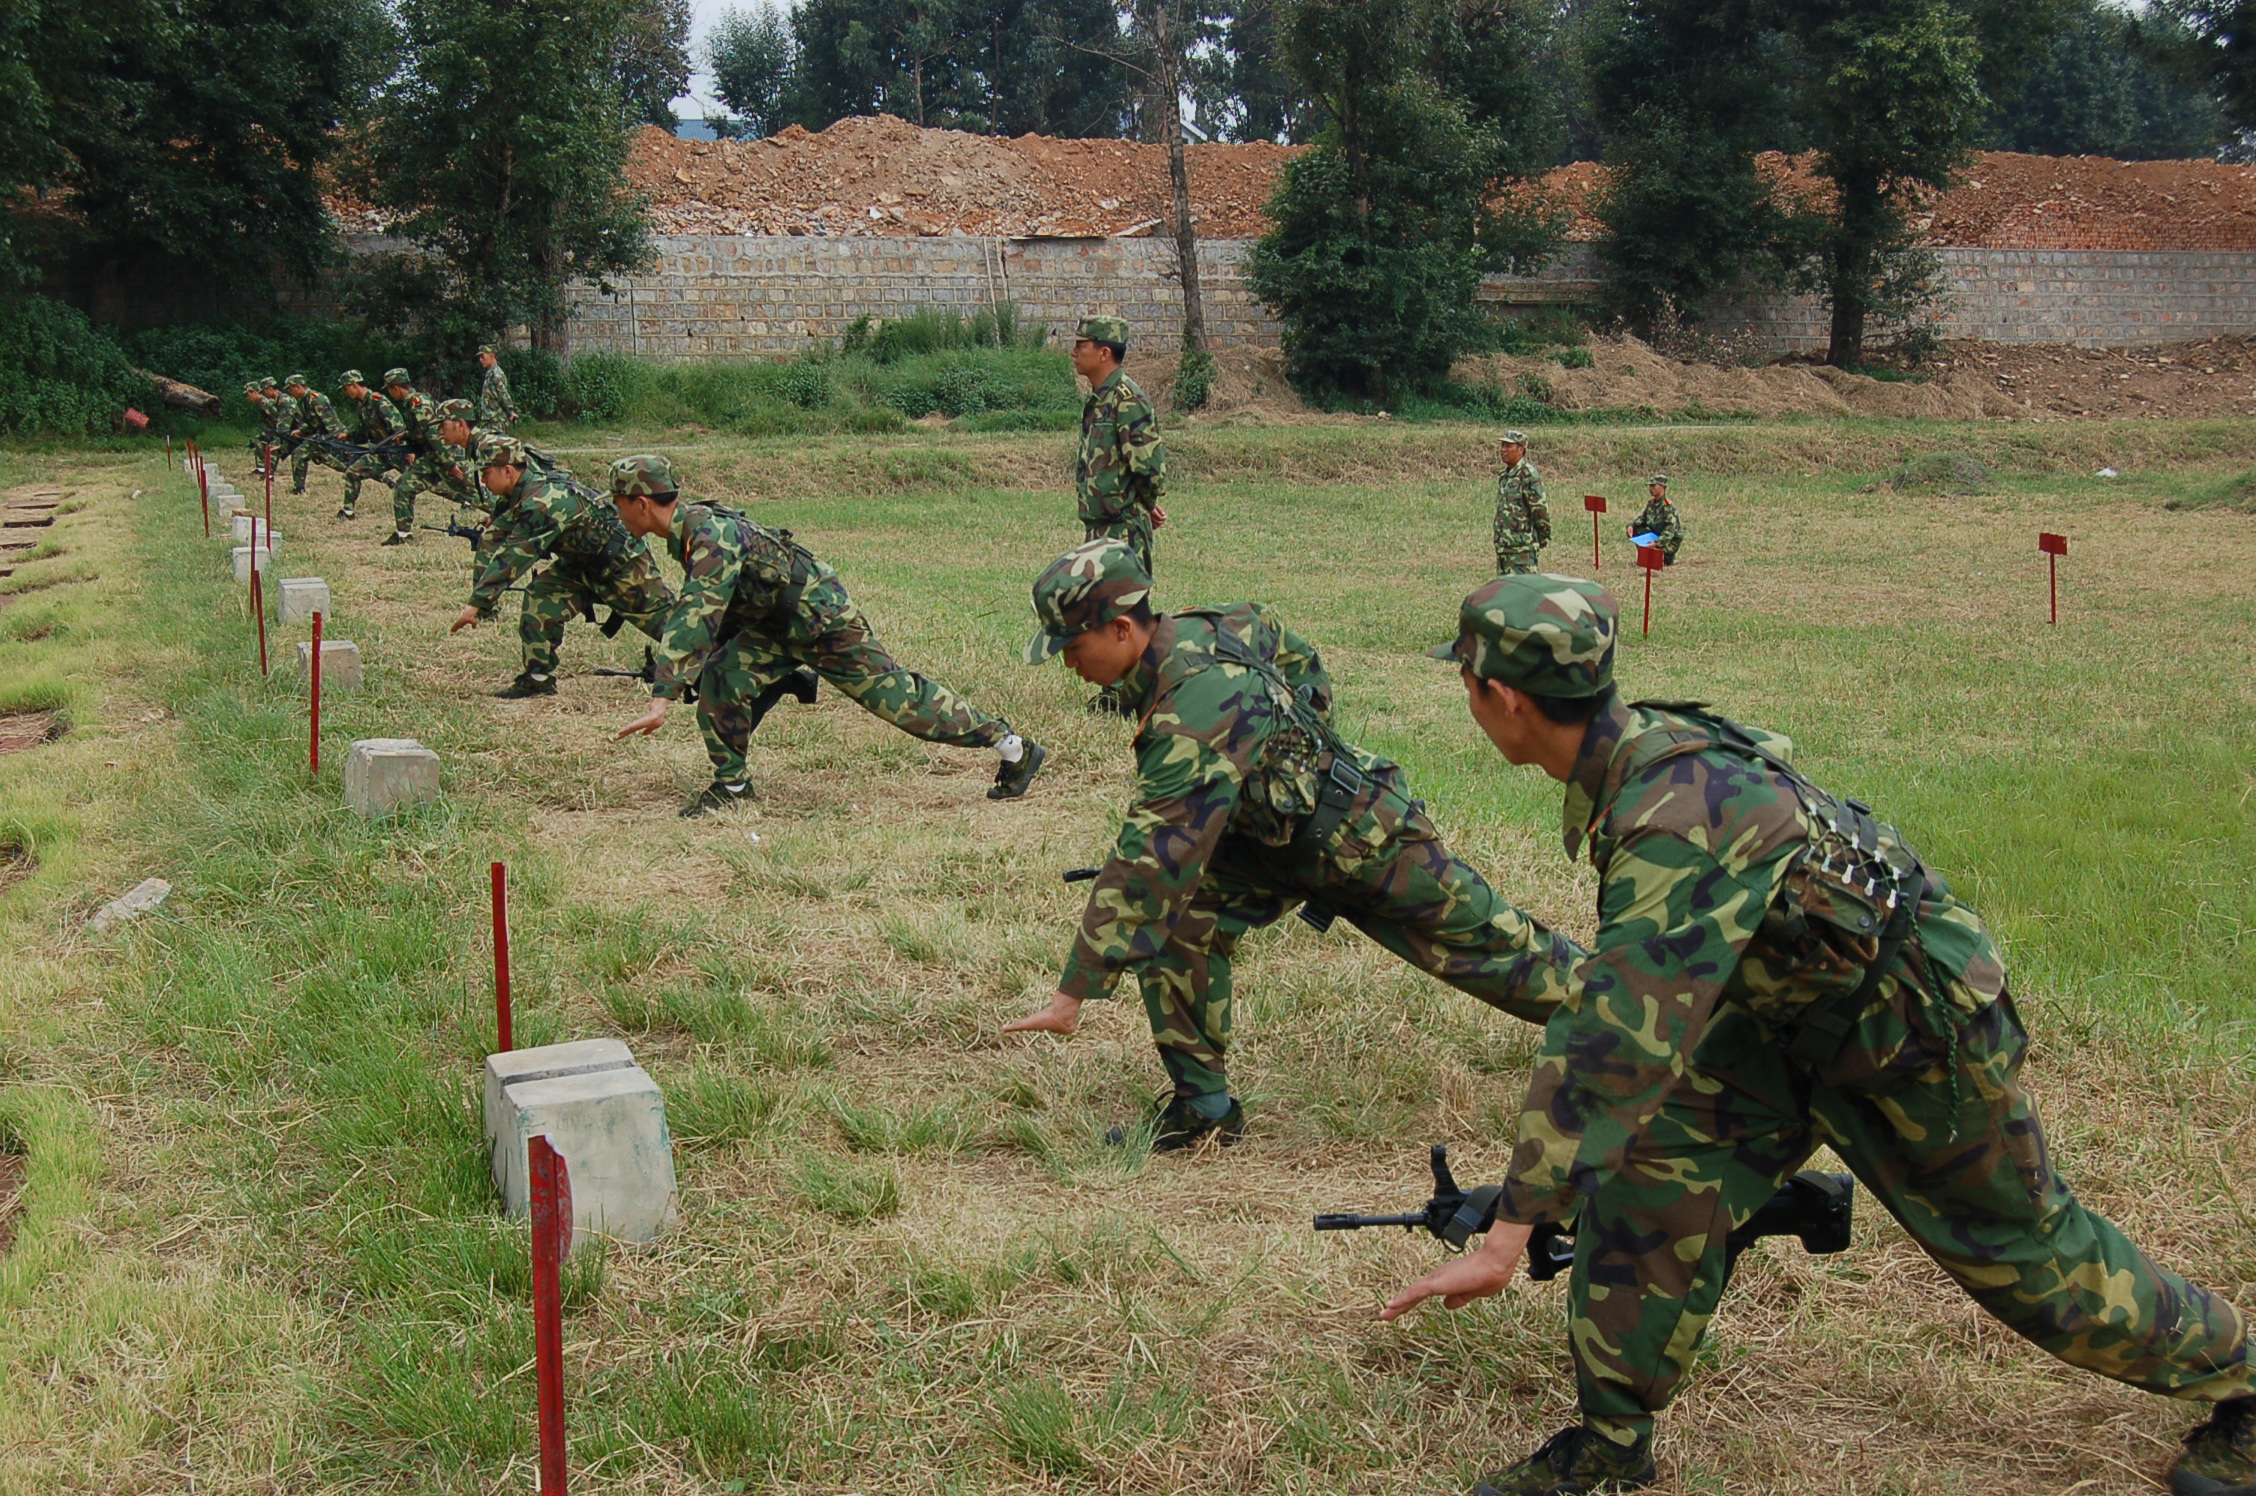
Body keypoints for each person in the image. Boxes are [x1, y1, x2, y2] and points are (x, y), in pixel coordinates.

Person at [1381, 572, 2256, 1496]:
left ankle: (2243, 1380)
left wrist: (1507, 1233)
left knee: (2027, 1255)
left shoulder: (1675, 811)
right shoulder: (1642, 755)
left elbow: (1612, 1042)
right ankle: (1611, 1441)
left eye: (1468, 684)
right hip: (1780, 1021)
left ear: (1504, 697)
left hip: (1912, 1040)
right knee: (1652, 1185)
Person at [1000, 540, 1582, 1151]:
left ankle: (1652, 1022)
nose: (1067, 664)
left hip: (1362, 837)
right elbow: (1294, 653)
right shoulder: (1216, 625)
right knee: (1178, 924)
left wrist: (1072, 995)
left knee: (1496, 948)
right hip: (1267, 841)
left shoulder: (1193, 707)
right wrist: (1283, 759)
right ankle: (1204, 1107)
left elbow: (1150, 857)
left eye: (1072, 646)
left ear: (1121, 628)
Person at [606, 455, 1048, 817]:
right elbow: (727, 605)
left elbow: (696, 613)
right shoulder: (689, 533)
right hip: (774, 625)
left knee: (899, 701)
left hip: (819, 618)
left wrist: (661, 698)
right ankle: (733, 787)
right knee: (724, 677)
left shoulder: (708, 534)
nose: (616, 510)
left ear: (641, 502)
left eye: (618, 500)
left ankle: (1012, 747)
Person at [449, 435, 675, 700]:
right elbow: (497, 533)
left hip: (621, 564)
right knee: (541, 597)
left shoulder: (543, 501)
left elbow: (514, 557)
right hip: (578, 565)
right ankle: (538, 679)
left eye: (486, 474)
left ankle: (719, 661)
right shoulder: (519, 492)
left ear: (507, 471)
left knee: (668, 624)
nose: (484, 481)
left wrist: (476, 604)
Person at [1073, 315, 1167, 577]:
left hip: (1123, 532)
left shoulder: (1128, 400)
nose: (1074, 352)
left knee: (1124, 614)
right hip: (1100, 529)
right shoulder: (1100, 399)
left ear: (1104, 353)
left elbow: (1148, 468)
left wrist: (1145, 505)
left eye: (1082, 346)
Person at [381, 367, 449, 546]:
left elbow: (434, 436)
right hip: (433, 456)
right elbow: (419, 431)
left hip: (441, 456)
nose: (390, 394)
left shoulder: (419, 404)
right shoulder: (412, 404)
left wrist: (450, 464)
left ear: (395, 388)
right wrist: (405, 436)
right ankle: (404, 534)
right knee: (404, 487)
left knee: (469, 492)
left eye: (389, 390)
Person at [336, 369, 405, 523]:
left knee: (427, 480)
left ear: (353, 385)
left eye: (346, 388)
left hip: (397, 452)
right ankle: (348, 511)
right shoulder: (362, 406)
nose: (346, 393)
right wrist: (348, 436)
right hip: (381, 453)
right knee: (353, 472)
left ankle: (466, 499)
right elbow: (365, 432)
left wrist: (408, 450)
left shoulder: (379, 401)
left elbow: (399, 429)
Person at [1493, 430, 1551, 575]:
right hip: (1504, 549)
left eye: (1508, 446)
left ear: (1520, 449)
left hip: (1522, 550)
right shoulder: (1505, 476)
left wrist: (1541, 538)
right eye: (1502, 446)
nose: (1503, 450)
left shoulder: (1528, 475)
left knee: (1524, 593)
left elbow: (1539, 510)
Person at [283, 374, 345, 496]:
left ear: (298, 386)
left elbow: (331, 422)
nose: (290, 392)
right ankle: (299, 488)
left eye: (291, 389)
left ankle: (299, 488)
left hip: (328, 437)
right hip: (321, 437)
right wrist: (301, 430)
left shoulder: (316, 399)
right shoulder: (306, 400)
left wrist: (333, 439)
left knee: (346, 465)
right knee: (342, 465)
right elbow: (312, 422)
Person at [1625, 474, 1683, 565]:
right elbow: (1643, 519)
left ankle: (1664, 558)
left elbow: (1669, 532)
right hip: (1655, 536)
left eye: (1653, 486)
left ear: (1662, 487)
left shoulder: (1668, 507)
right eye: (1650, 486)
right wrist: (1631, 525)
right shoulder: (1651, 503)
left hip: (1668, 542)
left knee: (1661, 558)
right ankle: (1645, 557)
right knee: (1637, 529)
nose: (1651, 488)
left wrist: (1656, 543)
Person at [477, 345, 520, 430]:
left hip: (496, 421)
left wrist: (510, 412)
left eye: (483, 356)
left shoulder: (496, 374)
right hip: (489, 420)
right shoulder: (490, 373)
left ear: (491, 356)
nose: (480, 360)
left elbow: (503, 395)